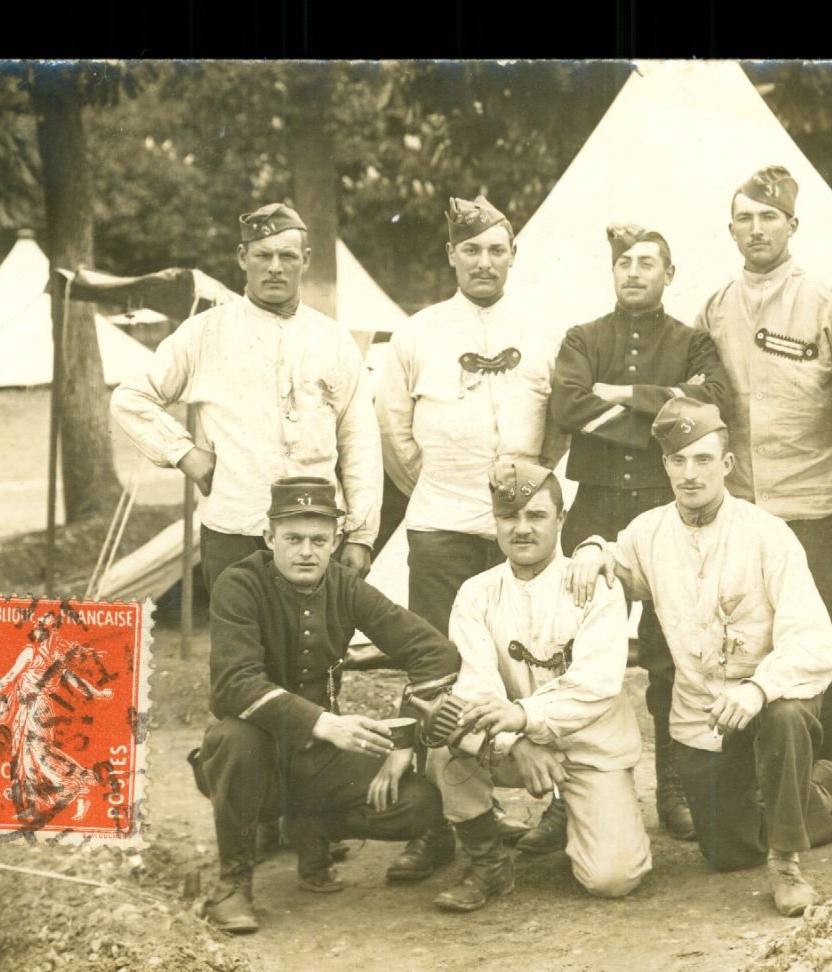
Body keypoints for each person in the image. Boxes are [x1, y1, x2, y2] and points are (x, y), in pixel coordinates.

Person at [565, 400, 832, 917]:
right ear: (664, 466)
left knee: (783, 718)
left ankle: (787, 863)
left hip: (767, 702)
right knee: (729, 853)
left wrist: (759, 688)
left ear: (727, 465)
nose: (690, 475)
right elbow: (615, 560)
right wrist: (591, 549)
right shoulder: (649, 532)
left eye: (703, 460)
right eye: (678, 461)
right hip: (703, 716)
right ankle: (824, 792)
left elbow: (816, 641)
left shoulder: (767, 534)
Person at [194, 477, 461, 934]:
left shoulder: (344, 585)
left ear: (336, 541)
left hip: (318, 761)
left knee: (420, 803)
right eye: (293, 538)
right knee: (234, 738)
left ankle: (309, 826)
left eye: (319, 540)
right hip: (254, 756)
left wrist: (402, 742)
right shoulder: (238, 585)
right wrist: (323, 723)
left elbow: (435, 653)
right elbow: (236, 684)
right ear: (268, 537)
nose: (306, 552)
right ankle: (232, 884)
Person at [546, 222, 729, 847]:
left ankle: (674, 787)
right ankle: (562, 795)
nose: (634, 272)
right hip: (593, 508)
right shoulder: (582, 337)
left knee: (670, 651)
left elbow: (712, 404)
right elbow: (567, 409)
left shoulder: (693, 341)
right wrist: (663, 412)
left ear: (669, 274)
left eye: (648, 262)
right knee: (568, 648)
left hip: (663, 512)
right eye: (625, 262)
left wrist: (621, 393)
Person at [112, 203, 383, 593]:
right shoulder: (203, 333)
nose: (275, 267)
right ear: (243, 258)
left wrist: (360, 533)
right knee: (238, 652)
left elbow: (360, 440)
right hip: (234, 529)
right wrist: (183, 453)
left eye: (287, 256)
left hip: (316, 533)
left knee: (312, 651)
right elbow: (131, 397)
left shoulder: (333, 339)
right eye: (263, 255)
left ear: (304, 261)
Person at [424, 460, 654, 911]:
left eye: (536, 516)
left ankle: (575, 808)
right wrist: (515, 743)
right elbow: (475, 688)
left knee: (613, 877)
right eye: (509, 517)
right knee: (443, 747)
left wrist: (525, 715)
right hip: (514, 746)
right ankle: (487, 863)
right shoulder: (476, 592)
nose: (522, 529)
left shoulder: (596, 586)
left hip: (589, 749)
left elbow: (597, 683)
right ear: (495, 523)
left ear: (561, 519)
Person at [697, 165, 832, 765]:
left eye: (769, 217)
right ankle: (751, 782)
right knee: (742, 644)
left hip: (812, 505)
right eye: (745, 218)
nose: (757, 228)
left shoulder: (831, 302)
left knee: (819, 642)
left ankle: (819, 774)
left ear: (793, 224)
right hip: (739, 511)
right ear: (730, 229)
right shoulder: (713, 307)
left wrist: (823, 470)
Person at [376, 195, 568, 640]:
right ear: (451, 255)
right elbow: (392, 429)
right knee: (440, 653)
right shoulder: (416, 333)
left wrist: (530, 480)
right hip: (441, 524)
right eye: (471, 250)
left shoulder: (543, 333)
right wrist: (436, 481)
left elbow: (559, 424)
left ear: (513, 256)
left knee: (517, 651)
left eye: (496, 250)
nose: (484, 263)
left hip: (521, 525)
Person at [0, 611, 113, 829]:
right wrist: (96, 693)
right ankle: (32, 805)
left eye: (44, 624)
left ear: (54, 630)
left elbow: (10, 677)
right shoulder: (45, 653)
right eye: (39, 623)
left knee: (41, 755)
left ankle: (78, 789)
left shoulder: (40, 654)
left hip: (37, 708)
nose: (38, 625)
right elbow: (73, 680)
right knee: (25, 758)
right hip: (28, 708)